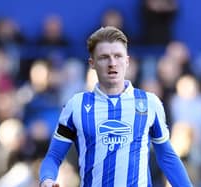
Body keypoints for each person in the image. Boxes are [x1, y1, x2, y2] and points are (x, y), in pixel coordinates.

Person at [39, 26, 192, 187]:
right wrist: (47, 179)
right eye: (104, 57)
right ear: (92, 63)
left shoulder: (149, 103)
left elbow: (167, 156)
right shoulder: (76, 106)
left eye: (118, 56)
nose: (112, 63)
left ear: (127, 60)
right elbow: (54, 155)